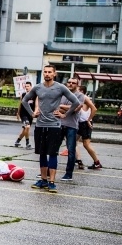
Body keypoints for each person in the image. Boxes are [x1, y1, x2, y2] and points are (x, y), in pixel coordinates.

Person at [21, 65, 80, 193]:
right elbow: (25, 100)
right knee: (42, 153)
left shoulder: (60, 87)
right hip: (40, 125)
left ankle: (52, 182)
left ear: (54, 74)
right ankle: (43, 180)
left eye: (49, 72)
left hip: (54, 126)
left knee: (52, 154)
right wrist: (32, 113)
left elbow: (76, 102)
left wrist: (65, 115)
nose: (47, 74)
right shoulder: (38, 87)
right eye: (45, 72)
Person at [58, 77, 94, 182]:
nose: (70, 84)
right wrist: (68, 107)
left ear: (77, 85)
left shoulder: (80, 95)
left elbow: (76, 108)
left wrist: (63, 106)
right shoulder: (63, 94)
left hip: (72, 126)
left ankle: (69, 174)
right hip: (60, 124)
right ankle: (47, 171)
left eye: (73, 83)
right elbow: (57, 106)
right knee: (53, 149)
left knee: (71, 150)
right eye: (69, 82)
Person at [76, 86, 102, 170]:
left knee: (86, 144)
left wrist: (89, 119)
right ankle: (78, 160)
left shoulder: (84, 98)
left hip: (85, 124)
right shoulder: (78, 98)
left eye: (77, 89)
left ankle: (97, 162)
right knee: (73, 141)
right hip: (80, 124)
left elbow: (94, 109)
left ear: (81, 91)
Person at [15, 81, 33, 148]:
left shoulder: (34, 95)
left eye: (28, 86)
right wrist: (18, 113)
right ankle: (27, 143)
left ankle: (17, 141)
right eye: (25, 86)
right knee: (27, 127)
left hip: (30, 114)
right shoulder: (23, 95)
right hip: (23, 114)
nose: (26, 88)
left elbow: (37, 105)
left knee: (25, 129)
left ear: (31, 86)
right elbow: (20, 104)